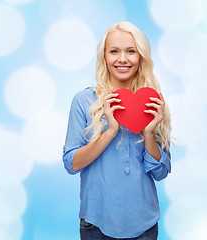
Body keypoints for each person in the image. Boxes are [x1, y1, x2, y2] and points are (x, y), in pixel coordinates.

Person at [63, 21, 171, 240]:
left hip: (144, 225)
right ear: (104, 56)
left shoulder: (153, 102)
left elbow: (160, 173)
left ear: (140, 57)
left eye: (131, 51)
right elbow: (72, 164)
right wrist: (110, 131)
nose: (123, 59)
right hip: (96, 225)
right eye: (114, 51)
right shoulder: (83, 101)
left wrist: (149, 133)